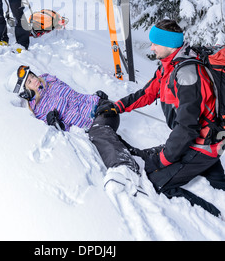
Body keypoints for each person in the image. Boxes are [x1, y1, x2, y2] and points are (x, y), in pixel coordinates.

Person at [96, 19, 225, 217]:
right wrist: (117, 107)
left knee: (153, 182)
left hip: (201, 146)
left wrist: (164, 159)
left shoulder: (187, 75)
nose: (152, 47)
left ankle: (215, 215)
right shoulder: (168, 66)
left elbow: (186, 127)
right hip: (195, 141)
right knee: (217, 183)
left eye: (155, 43)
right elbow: (147, 93)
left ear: (169, 44)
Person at [18, 67, 141, 194]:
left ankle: (126, 170)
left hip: (100, 107)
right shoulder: (38, 110)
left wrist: (95, 97)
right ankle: (141, 158)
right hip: (92, 122)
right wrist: (56, 123)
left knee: (99, 135)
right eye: (29, 82)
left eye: (32, 76)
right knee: (102, 136)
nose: (34, 80)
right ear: (26, 92)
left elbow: (74, 98)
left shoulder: (50, 81)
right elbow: (65, 127)